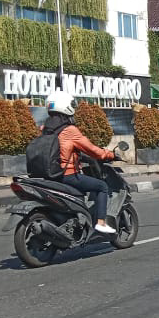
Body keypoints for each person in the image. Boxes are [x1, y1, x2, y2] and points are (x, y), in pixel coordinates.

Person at [42, 91, 117, 235]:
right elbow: (92, 150)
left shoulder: (45, 129)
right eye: (71, 104)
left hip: (49, 175)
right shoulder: (69, 130)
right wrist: (109, 154)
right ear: (65, 107)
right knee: (102, 186)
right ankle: (101, 222)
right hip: (67, 175)